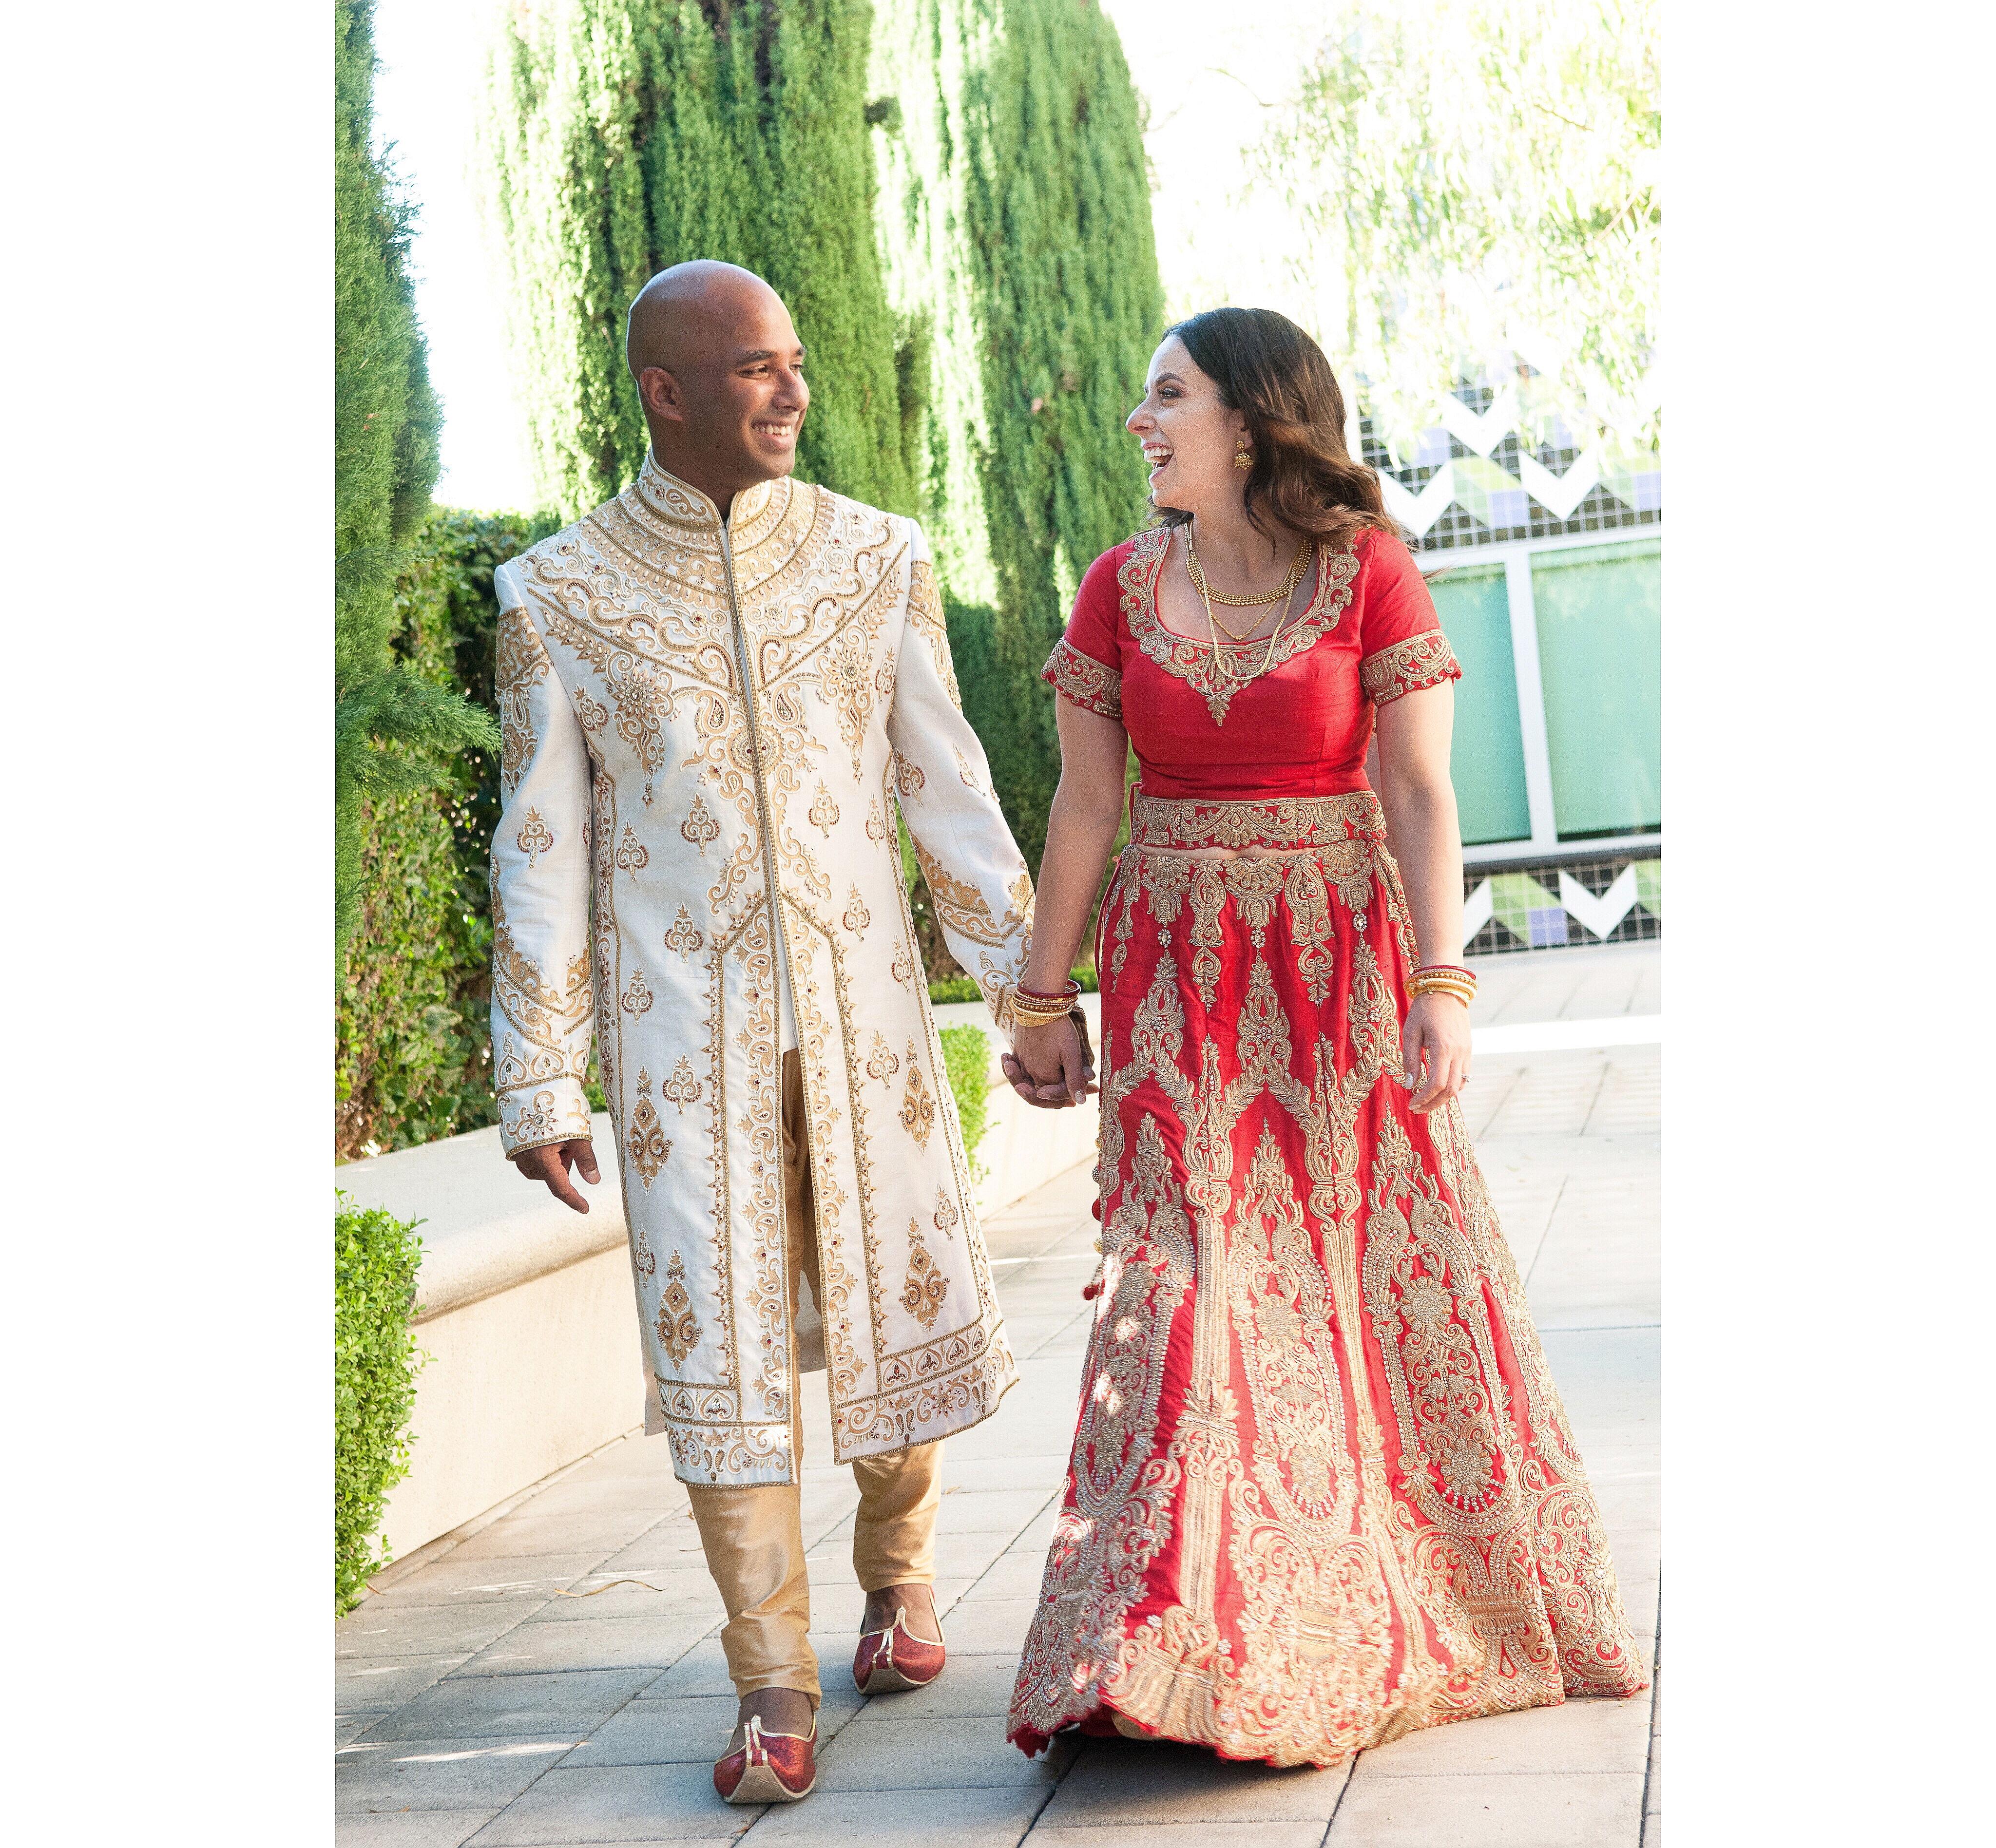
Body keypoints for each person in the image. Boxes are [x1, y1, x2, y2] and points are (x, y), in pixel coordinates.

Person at [1001, 306, 1646, 1767]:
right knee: (1184, 1273)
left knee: (1358, 1278)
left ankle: (1374, 1605)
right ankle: (1156, 1638)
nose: (1140, 421)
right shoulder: (1117, 588)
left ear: (1251, 418)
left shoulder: (1371, 573)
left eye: (1167, 394)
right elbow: (1087, 802)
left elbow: (1419, 791)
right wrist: (1044, 999)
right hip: (1175, 975)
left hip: (1338, 963)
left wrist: (1444, 979)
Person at [489, 262, 1079, 1805]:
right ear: (665, 392)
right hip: (680, 1047)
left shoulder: (877, 559)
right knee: (719, 1339)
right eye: (756, 367)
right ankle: (768, 1676)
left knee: (894, 1304)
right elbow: (539, 847)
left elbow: (947, 782)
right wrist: (541, 1071)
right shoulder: (557, 594)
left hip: (865, 1018)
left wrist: (1024, 986)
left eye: (795, 360)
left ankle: (901, 1577)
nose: (794, 389)